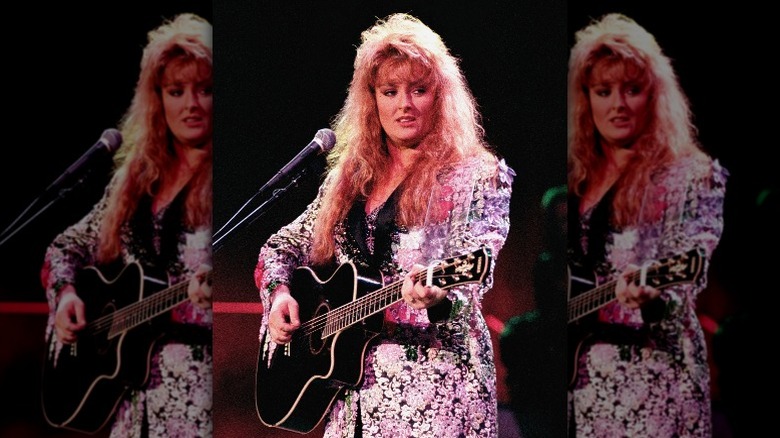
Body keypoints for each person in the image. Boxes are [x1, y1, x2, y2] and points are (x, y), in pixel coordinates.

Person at [255, 13, 514, 438]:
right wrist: (280, 295)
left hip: (435, 399)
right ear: (371, 99)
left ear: (441, 95)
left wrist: (437, 297)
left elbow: (473, 276)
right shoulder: (350, 181)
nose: (404, 105)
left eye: (419, 90)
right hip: (350, 400)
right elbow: (280, 248)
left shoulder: (476, 177)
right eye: (389, 91)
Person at [41, 13, 213, 437]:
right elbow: (66, 247)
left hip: (198, 398)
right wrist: (64, 297)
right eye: (176, 91)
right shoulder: (136, 180)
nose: (191, 104)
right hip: (130, 406)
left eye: (206, 90)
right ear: (158, 99)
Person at [567, 13, 727, 437]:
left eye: (632, 90)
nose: (618, 104)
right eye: (604, 91)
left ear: (653, 95)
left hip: (655, 371)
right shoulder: (577, 176)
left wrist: (655, 293)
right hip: (581, 379)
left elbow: (689, 265)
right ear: (587, 98)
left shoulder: (691, 176)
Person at [500, 184, 567, 438]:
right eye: (560, 220)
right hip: (554, 341)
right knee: (516, 334)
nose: (566, 227)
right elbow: (547, 310)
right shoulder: (547, 264)